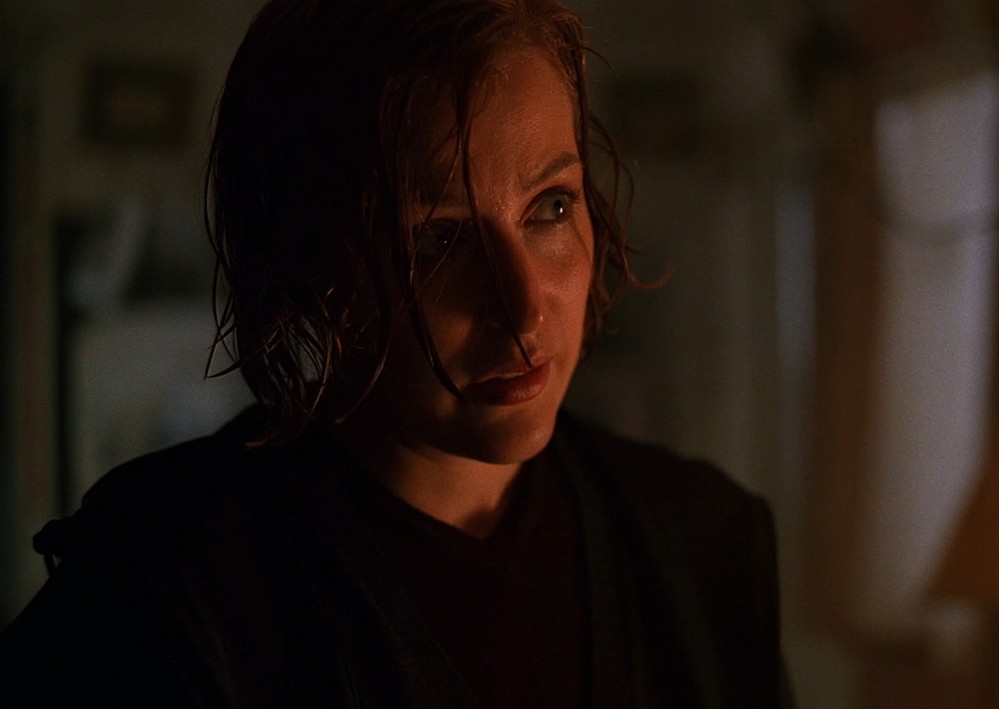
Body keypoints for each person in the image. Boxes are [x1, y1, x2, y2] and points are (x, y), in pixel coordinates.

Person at [0, 0, 791, 706]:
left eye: (551, 206)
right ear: (311, 262)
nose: (523, 306)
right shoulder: (165, 592)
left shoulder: (701, 544)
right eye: (438, 240)